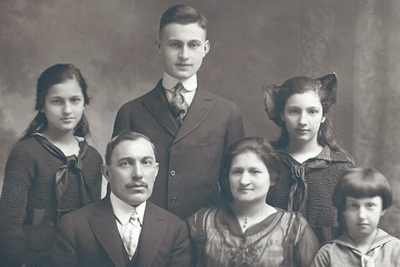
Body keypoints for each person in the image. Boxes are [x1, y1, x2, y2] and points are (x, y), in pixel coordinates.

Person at [112, 4, 244, 219]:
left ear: (206, 48)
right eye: (175, 45)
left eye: (193, 45)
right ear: (159, 46)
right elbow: (117, 185)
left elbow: (234, 185)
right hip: (147, 231)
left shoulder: (227, 113)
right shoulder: (131, 112)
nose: (184, 55)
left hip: (206, 231)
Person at [0, 63, 103, 266]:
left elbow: (95, 219)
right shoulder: (26, 153)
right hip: (35, 260)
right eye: (57, 101)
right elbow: (9, 221)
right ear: (42, 105)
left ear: (84, 103)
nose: (67, 110)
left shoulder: (93, 158)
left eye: (75, 100)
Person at [52, 130, 191, 267]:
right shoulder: (74, 226)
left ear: (156, 171)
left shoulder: (175, 229)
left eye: (146, 163)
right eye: (126, 163)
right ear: (107, 173)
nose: (138, 174)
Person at [187, 137, 320, 267]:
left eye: (254, 172)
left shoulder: (294, 229)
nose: (244, 181)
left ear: (272, 178)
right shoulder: (201, 223)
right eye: (237, 172)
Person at [263, 73, 355, 242]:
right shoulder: (266, 162)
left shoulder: (342, 169)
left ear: (323, 116)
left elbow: (351, 233)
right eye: (294, 111)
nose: (302, 121)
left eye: (312, 112)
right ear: (282, 114)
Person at [311, 168, 400, 266]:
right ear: (343, 209)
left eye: (370, 205)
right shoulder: (327, 255)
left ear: (382, 209)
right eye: (353, 206)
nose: (361, 215)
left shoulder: (396, 250)